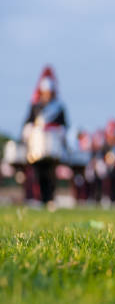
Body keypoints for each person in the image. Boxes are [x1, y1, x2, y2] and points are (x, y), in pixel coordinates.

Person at [22, 66, 68, 209]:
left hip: (53, 147)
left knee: (51, 174)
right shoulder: (35, 106)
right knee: (38, 172)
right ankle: (39, 198)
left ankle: (50, 199)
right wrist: (30, 129)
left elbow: (65, 125)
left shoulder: (59, 107)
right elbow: (27, 122)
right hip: (38, 147)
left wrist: (60, 131)